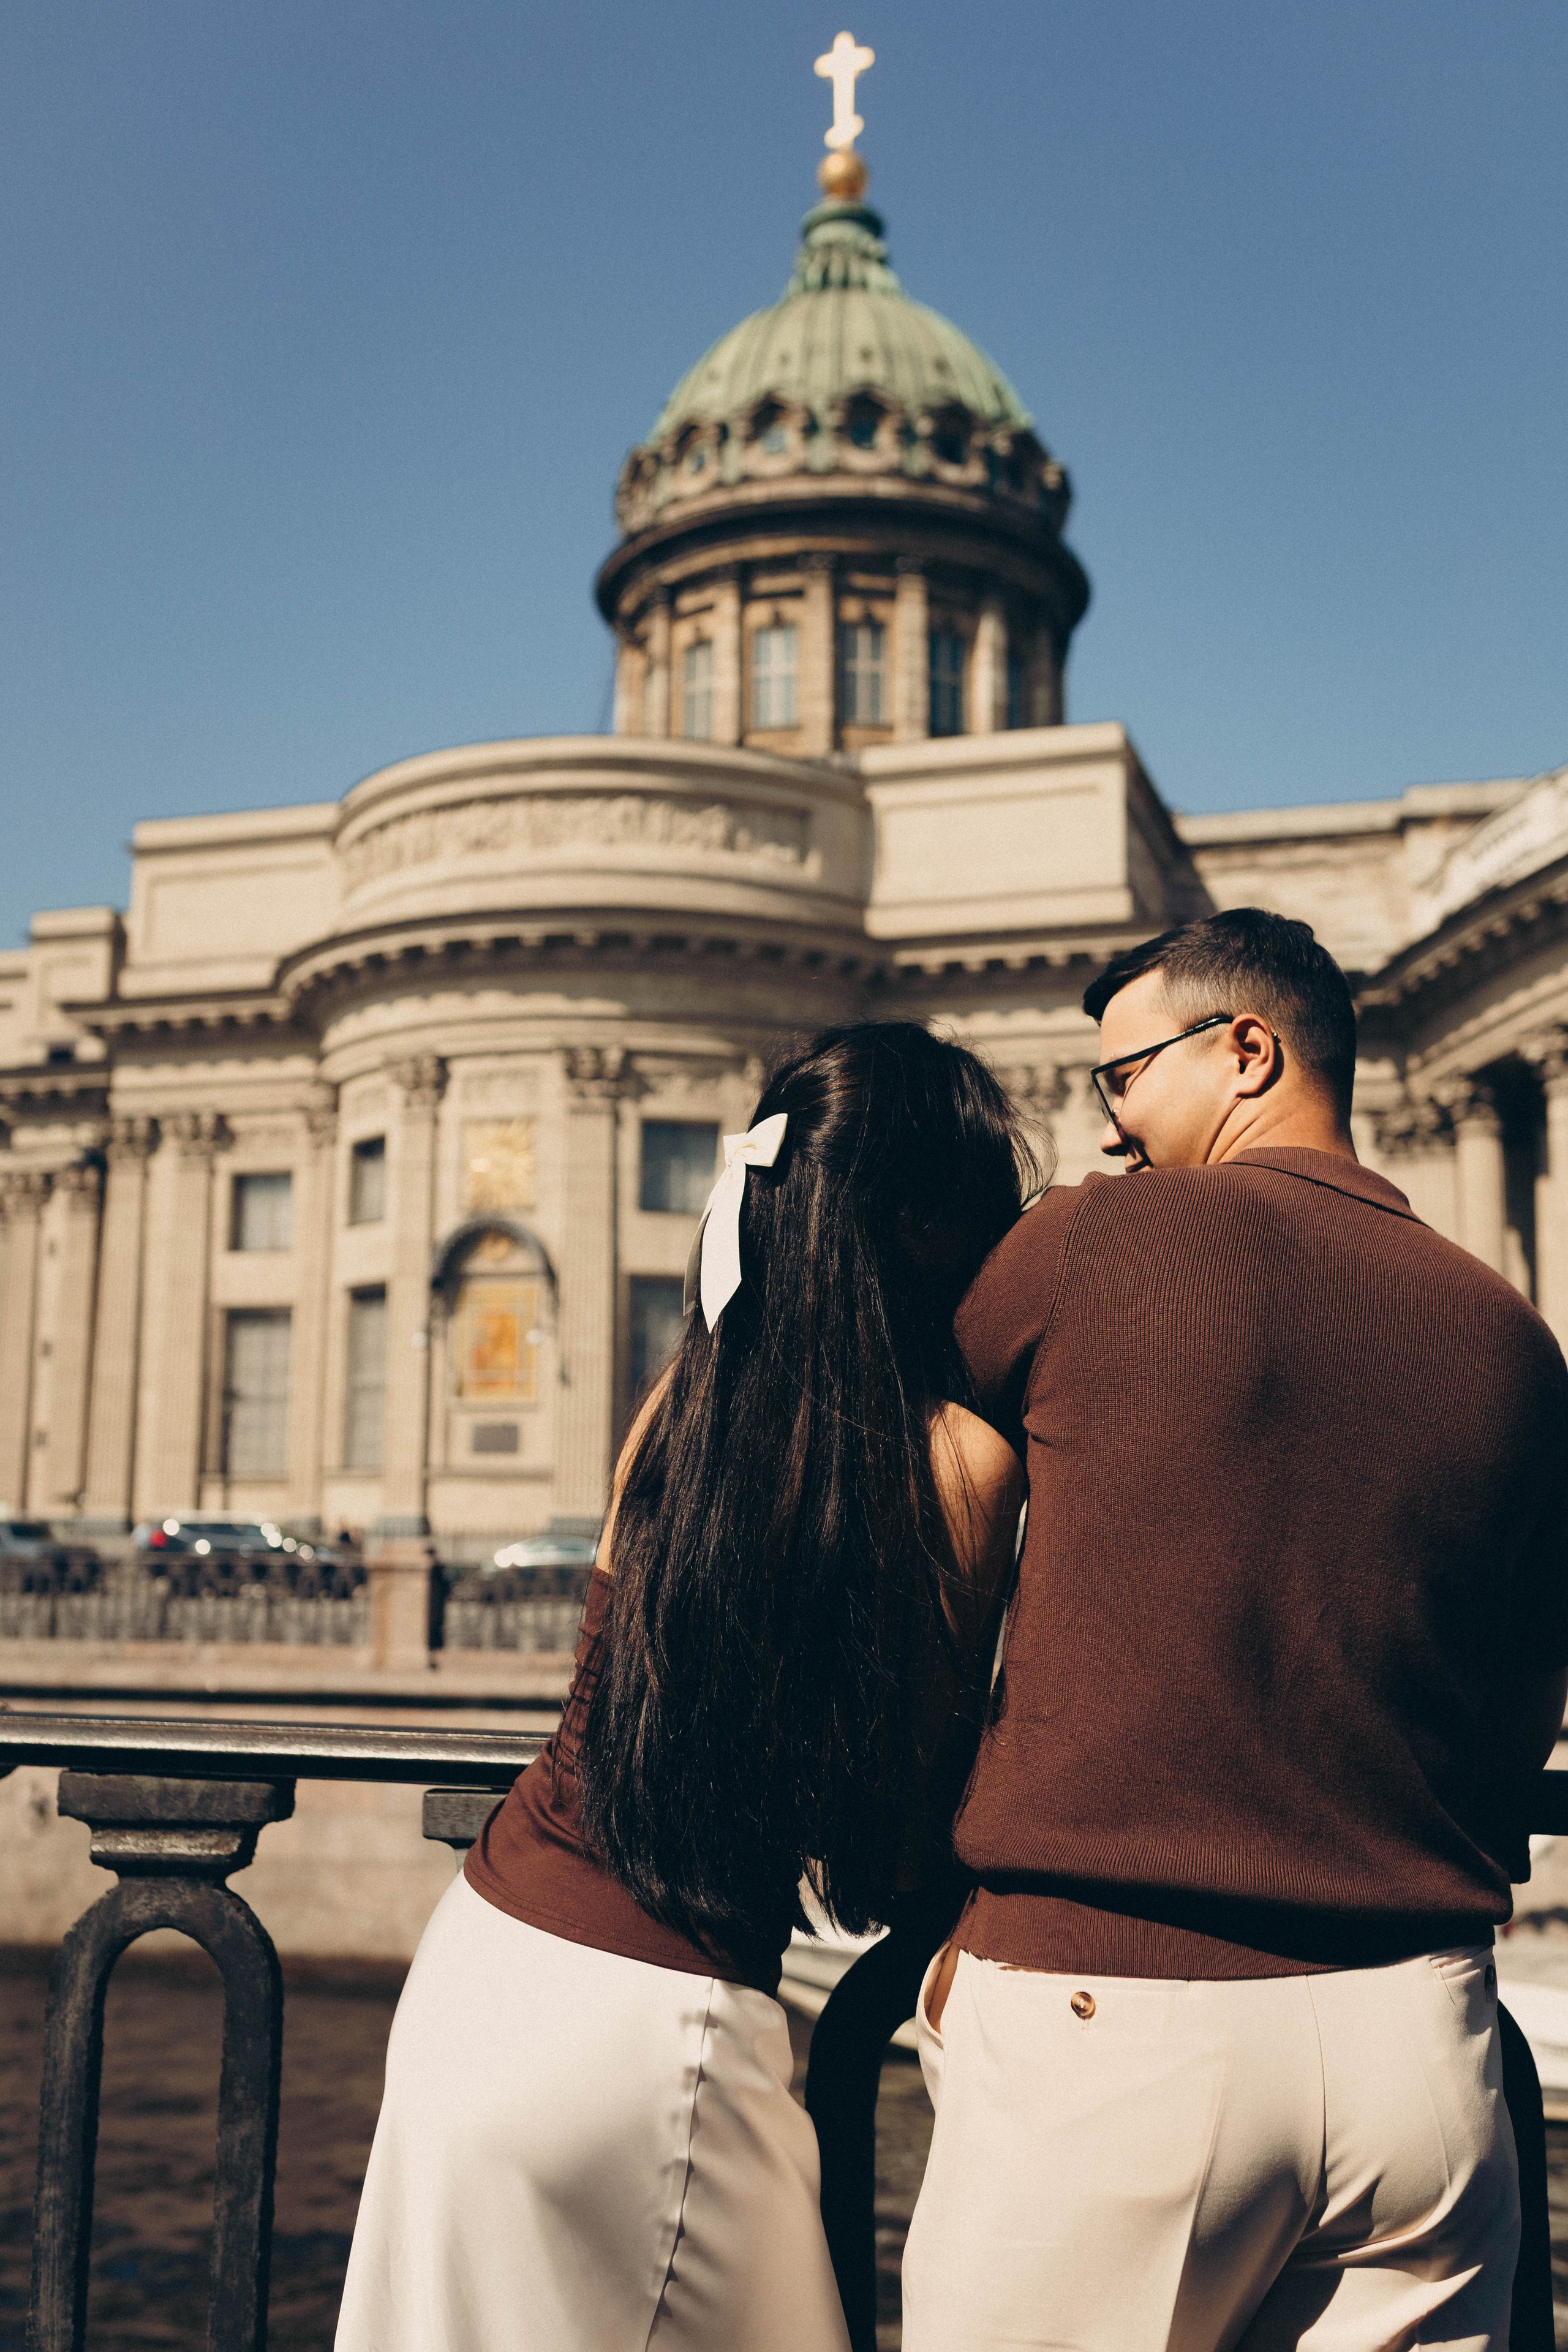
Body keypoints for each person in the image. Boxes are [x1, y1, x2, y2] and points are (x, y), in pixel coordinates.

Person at [903, 908, 1568, 2352]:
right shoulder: (1513, 1336)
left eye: (1123, 1077)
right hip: (1419, 2041)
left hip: (1116, 2017)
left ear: (1245, 1049)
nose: (1113, 1123)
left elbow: (932, 1548)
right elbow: (1524, 1706)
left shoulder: (1088, 1240)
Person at [336, 1022, 1031, 2352]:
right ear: (939, 1229)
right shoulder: (956, 1463)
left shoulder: (677, 1406)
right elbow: (890, 1845)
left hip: (480, 1959)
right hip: (650, 2025)